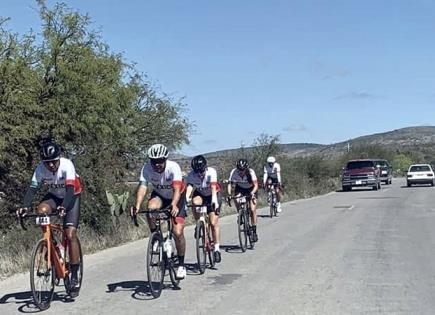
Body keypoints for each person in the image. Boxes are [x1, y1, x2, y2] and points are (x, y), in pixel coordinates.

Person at [17, 140, 83, 295]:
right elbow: (32, 189)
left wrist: (63, 207)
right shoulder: (40, 169)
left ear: (58, 158)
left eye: (53, 162)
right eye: (47, 163)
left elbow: (70, 190)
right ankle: (50, 241)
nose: (51, 165)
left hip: (72, 196)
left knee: (70, 233)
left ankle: (74, 272)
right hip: (54, 195)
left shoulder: (67, 165)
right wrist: (25, 207)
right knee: (41, 209)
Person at [131, 144, 187, 279]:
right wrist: (137, 205)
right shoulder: (146, 168)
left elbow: (177, 189)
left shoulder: (173, 167)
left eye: (160, 161)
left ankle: (181, 265)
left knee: (177, 232)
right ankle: (156, 237)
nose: (157, 165)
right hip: (160, 195)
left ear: (165, 159)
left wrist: (174, 205)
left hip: (177, 196)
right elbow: (143, 187)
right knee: (151, 208)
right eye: (154, 161)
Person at [185, 155, 222, 263]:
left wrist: (214, 200)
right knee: (195, 202)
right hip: (200, 193)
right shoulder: (191, 175)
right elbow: (190, 187)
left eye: (201, 171)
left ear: (205, 167)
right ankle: (199, 222)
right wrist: (186, 199)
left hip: (213, 194)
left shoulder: (211, 172)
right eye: (197, 172)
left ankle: (216, 248)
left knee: (213, 222)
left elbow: (214, 187)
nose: (199, 174)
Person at [227, 158, 259, 242]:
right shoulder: (234, 172)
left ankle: (254, 231)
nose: (241, 171)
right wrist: (229, 194)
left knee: (252, 210)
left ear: (246, 168)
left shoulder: (251, 172)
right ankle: (240, 213)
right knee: (236, 199)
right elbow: (230, 184)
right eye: (239, 170)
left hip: (251, 189)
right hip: (240, 188)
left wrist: (252, 193)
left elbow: (256, 185)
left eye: (243, 170)